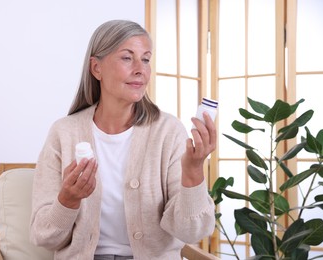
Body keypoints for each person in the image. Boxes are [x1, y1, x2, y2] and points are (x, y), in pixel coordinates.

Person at [30, 19, 216, 260]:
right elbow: (43, 237)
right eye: (127, 58)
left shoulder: (168, 131)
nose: (140, 69)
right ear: (96, 68)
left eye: (146, 59)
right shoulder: (63, 133)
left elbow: (191, 231)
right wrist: (68, 199)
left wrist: (193, 172)